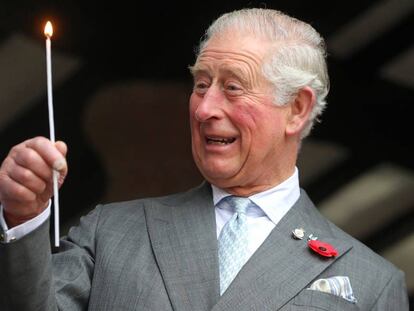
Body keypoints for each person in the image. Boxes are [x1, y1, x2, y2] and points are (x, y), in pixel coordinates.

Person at [0, 8, 409, 311]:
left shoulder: (372, 282)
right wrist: (23, 216)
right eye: (200, 85)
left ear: (297, 109)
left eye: (232, 87)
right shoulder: (111, 232)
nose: (203, 108)